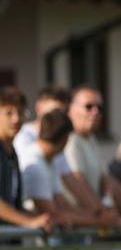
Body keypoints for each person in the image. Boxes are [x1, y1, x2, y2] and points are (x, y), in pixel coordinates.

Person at [18, 110, 121, 229]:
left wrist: (97, 216)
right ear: (66, 139)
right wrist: (100, 221)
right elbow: (53, 215)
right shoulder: (35, 164)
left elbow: (64, 206)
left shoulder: (48, 161)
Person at [14, 85, 101, 214]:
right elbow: (51, 211)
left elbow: (70, 182)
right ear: (39, 107)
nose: (59, 118)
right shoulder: (23, 139)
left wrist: (97, 212)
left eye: (63, 112)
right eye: (54, 111)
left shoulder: (53, 156)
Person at [65, 85, 121, 225]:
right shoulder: (69, 141)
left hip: (89, 223)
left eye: (99, 108)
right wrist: (108, 217)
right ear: (70, 109)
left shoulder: (90, 140)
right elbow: (79, 182)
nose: (95, 112)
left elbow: (108, 182)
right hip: (74, 224)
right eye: (88, 106)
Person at [0, 87, 52, 231]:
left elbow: (14, 207)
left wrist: (45, 219)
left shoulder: (12, 153)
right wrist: (29, 222)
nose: (16, 119)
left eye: (20, 112)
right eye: (9, 113)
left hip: (9, 245)